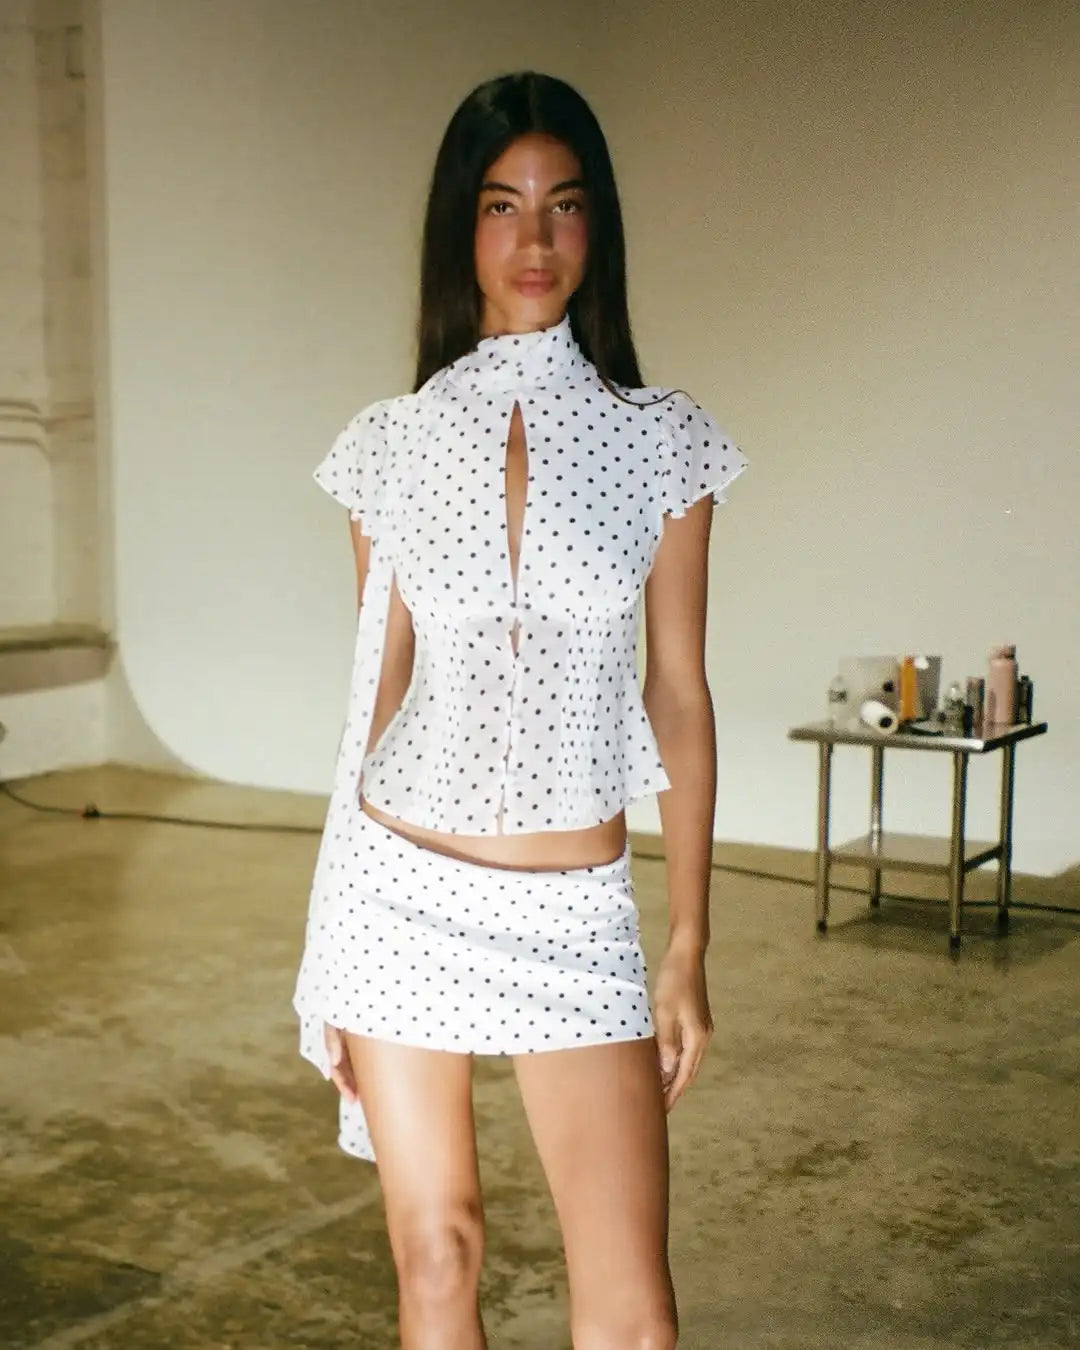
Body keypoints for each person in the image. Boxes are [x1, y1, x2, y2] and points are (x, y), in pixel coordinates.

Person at [294, 70, 746, 1350]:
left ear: (598, 228)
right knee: (437, 1258)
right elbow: (371, 700)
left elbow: (678, 693)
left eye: (563, 204)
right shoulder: (387, 443)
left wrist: (688, 943)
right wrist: (327, 948)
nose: (534, 239)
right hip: (395, 894)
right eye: (501, 205)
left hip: (573, 913)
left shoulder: (661, 442)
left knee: (633, 1316)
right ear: (463, 229)